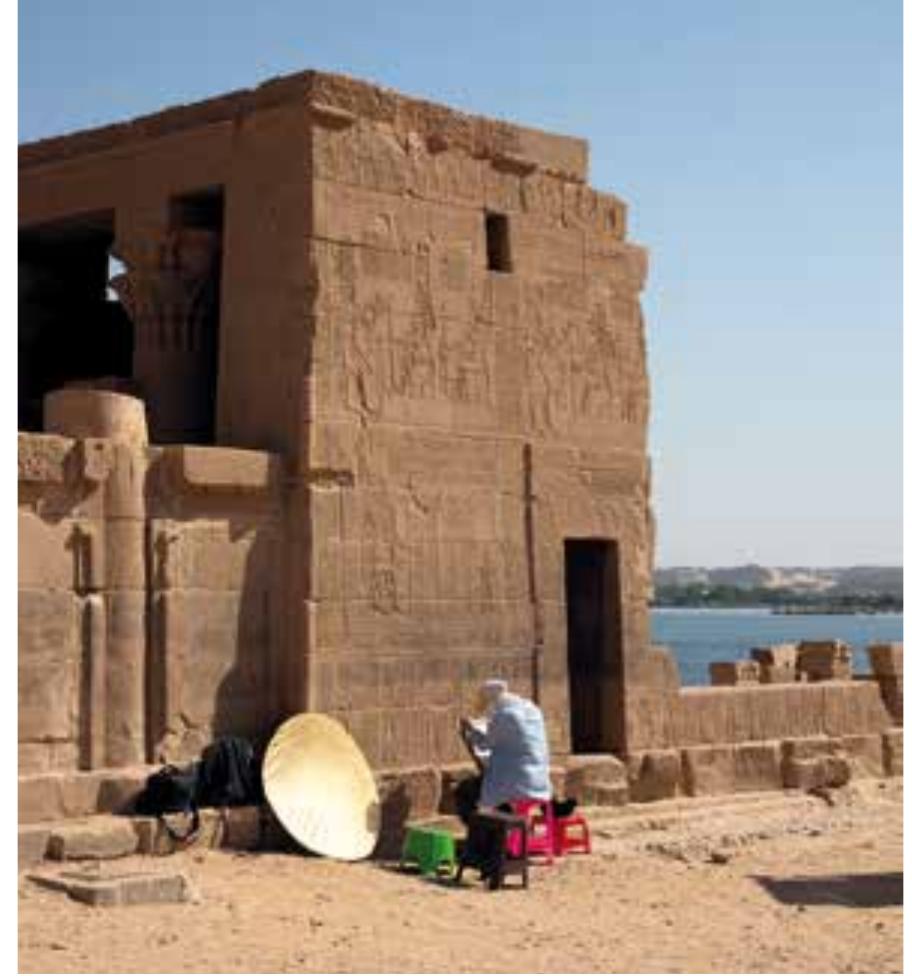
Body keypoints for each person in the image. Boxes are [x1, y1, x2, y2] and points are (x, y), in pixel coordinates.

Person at [458, 679, 552, 814]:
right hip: (542, 781)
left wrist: (470, 731)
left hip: (518, 784)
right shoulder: (532, 709)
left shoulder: (504, 715)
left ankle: (495, 830)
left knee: (469, 791)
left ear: (492, 702)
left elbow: (484, 744)